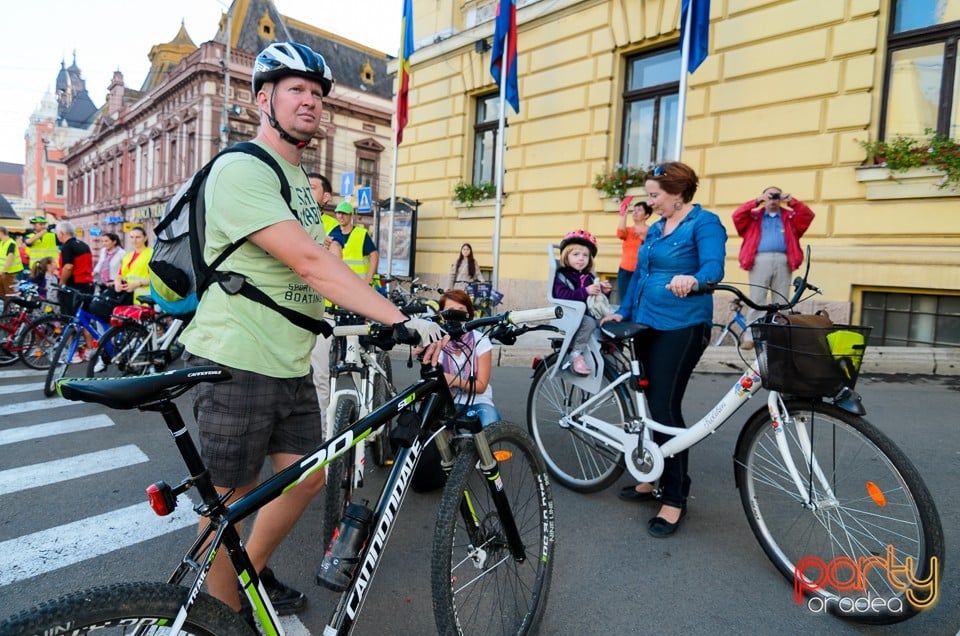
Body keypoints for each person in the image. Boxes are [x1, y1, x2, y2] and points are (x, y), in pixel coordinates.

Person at [176, 41, 444, 621]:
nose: (311, 102)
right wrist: (398, 321)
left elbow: (326, 263)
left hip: (290, 358)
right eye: (297, 89)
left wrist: (384, 307)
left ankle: (243, 575)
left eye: (318, 94)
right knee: (227, 498)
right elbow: (309, 262)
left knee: (304, 480)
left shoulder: (297, 180)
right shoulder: (241, 167)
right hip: (239, 356)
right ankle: (211, 614)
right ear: (263, 97)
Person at [600, 161, 726, 538]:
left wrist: (695, 279)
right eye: (649, 194)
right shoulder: (655, 229)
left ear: (678, 192)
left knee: (664, 407)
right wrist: (622, 310)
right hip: (645, 321)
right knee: (646, 404)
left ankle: (674, 496)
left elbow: (713, 268)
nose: (649, 201)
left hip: (683, 325)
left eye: (655, 194)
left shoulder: (704, 223)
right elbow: (641, 274)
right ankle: (652, 476)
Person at [412, 288, 500, 492]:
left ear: (469, 314)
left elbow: (480, 386)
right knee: (425, 422)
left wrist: (452, 380)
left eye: (461, 310)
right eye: (450, 310)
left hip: (478, 400)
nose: (456, 315)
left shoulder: (480, 340)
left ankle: (470, 454)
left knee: (490, 427)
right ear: (441, 314)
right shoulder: (438, 340)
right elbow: (433, 381)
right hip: (448, 400)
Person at [732, 187, 815, 349]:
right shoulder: (754, 216)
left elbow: (808, 215)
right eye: (769, 196)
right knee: (757, 299)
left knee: (782, 300)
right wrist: (757, 200)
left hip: (784, 260)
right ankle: (751, 337)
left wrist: (791, 200)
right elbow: (737, 215)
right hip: (760, 260)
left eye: (776, 196)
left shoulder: (789, 216)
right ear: (764, 198)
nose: (773, 200)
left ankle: (779, 338)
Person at [552, 229, 611, 376]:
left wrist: (602, 291)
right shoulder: (562, 275)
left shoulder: (588, 276)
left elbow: (594, 301)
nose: (581, 259)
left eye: (585, 255)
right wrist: (585, 291)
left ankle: (609, 355)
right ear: (566, 256)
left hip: (587, 313)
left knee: (609, 322)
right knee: (589, 323)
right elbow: (562, 295)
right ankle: (575, 354)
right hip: (569, 314)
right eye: (576, 254)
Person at [306, 172, 341, 417]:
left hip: (320, 313)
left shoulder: (331, 226)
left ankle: (323, 435)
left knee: (319, 375)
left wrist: (328, 250)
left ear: (325, 196)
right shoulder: (289, 218)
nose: (306, 190)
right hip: (287, 310)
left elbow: (337, 262)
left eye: (313, 187)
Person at [329, 200, 380, 288]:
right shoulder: (332, 233)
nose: (341, 216)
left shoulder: (361, 234)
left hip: (358, 285)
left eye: (344, 213)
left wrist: (368, 280)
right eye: (338, 213)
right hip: (338, 284)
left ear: (351, 215)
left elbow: (374, 255)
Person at [55, 221, 94, 318]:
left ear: (61, 233)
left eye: (57, 234)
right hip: (88, 285)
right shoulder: (84, 245)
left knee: (69, 317)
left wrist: (62, 283)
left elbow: (68, 267)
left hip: (74, 286)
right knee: (84, 318)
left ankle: (71, 333)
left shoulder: (68, 246)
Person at [616, 200, 652, 299]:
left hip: (642, 270)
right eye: (634, 210)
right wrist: (624, 214)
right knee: (624, 298)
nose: (635, 212)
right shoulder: (628, 230)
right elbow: (620, 233)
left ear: (646, 215)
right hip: (625, 269)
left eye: (639, 210)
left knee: (639, 298)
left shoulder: (651, 231)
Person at [114, 226, 153, 304]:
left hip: (146, 299)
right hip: (127, 297)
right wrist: (117, 284)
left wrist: (137, 284)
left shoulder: (152, 254)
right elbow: (120, 274)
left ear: (145, 238)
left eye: (138, 237)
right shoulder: (128, 256)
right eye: (131, 237)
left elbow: (156, 279)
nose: (134, 240)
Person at [0, 226, 24, 297]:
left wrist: (2, 271)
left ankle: (9, 307)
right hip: (4, 273)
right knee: (2, 293)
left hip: (10, 273)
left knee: (9, 293)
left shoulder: (11, 243)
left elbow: (10, 259)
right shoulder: (2, 243)